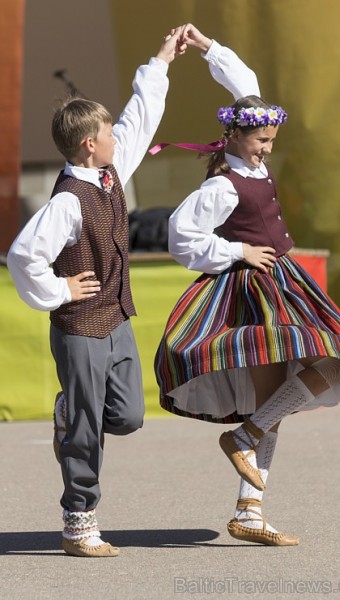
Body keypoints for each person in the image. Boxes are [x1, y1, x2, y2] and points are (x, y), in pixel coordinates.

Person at [153, 25, 340, 546]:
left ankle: (248, 478)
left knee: (335, 358)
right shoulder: (220, 184)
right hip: (248, 291)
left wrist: (209, 48)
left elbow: (246, 85)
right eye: (260, 141)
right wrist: (235, 251)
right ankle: (250, 500)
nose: (266, 151)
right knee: (283, 386)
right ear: (234, 136)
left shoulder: (248, 151)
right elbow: (180, 236)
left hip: (285, 282)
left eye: (271, 141)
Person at [6, 27, 189, 558]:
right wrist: (59, 288)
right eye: (107, 133)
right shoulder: (66, 202)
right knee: (88, 427)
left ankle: (69, 411)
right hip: (80, 326)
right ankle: (79, 521)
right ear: (90, 144)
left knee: (128, 415)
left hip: (117, 318)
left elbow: (140, 117)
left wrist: (160, 60)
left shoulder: (110, 174)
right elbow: (22, 255)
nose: (117, 138)